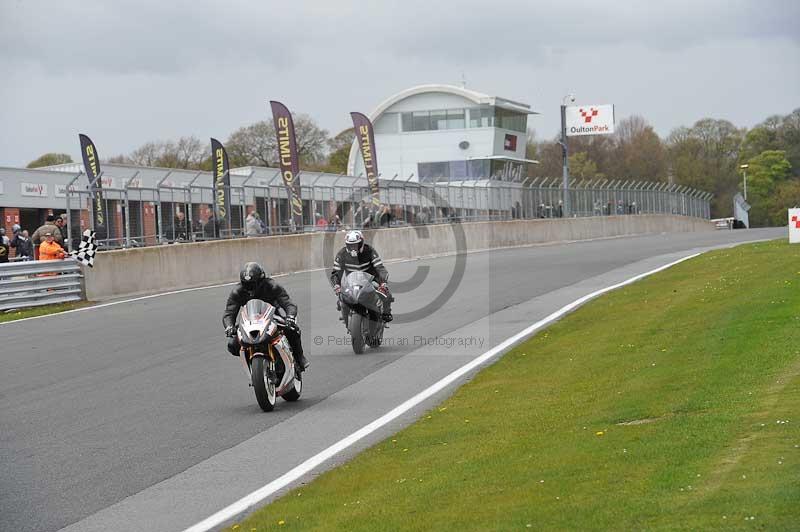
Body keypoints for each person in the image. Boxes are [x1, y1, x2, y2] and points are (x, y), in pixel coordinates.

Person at [222, 262, 309, 372]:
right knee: (232, 344)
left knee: (293, 330)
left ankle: (299, 358)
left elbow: (288, 303)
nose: (250, 288)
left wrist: (290, 316)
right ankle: (253, 363)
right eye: (246, 284)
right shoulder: (237, 291)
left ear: (261, 280)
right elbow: (229, 312)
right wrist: (229, 326)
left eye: (253, 284)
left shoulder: (272, 286)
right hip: (250, 320)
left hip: (273, 316)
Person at [330, 230, 393, 322]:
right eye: (350, 245)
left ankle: (386, 313)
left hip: (371, 279)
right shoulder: (342, 254)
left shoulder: (370, 251)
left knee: (386, 294)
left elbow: (380, 268)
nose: (353, 248)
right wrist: (336, 285)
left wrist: (383, 283)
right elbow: (336, 273)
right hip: (351, 282)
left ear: (361, 243)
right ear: (347, 245)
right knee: (341, 300)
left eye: (355, 245)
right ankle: (346, 317)